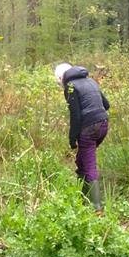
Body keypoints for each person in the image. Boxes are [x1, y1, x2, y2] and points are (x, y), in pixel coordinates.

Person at [54, 62, 110, 212]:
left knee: (89, 164)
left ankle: (96, 208)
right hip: (103, 125)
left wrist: (72, 139)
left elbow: (76, 116)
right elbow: (106, 104)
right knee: (82, 160)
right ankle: (82, 197)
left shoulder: (70, 86)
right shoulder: (91, 81)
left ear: (62, 78)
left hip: (89, 129)